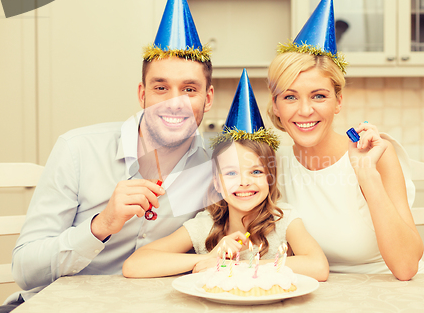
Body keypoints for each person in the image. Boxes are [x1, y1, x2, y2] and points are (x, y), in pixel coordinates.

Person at [0, 0, 213, 313]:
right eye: (160, 87)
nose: (175, 102)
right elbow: (25, 270)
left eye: (189, 89)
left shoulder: (218, 165)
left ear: (208, 99)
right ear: (142, 94)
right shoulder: (78, 149)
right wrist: (101, 225)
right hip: (56, 312)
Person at [266, 0, 424, 281]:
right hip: (315, 290)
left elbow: (407, 268)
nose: (305, 111)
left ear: (338, 101)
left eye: (318, 96)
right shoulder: (272, 163)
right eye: (290, 97)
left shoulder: (375, 156)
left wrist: (366, 173)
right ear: (276, 105)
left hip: (388, 289)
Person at [122, 69, 329, 281]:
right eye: (231, 173)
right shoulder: (206, 225)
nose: (244, 182)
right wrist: (211, 258)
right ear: (217, 183)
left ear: (270, 178)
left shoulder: (283, 220)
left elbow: (318, 267)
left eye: (256, 171)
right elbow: (134, 266)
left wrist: (243, 266)